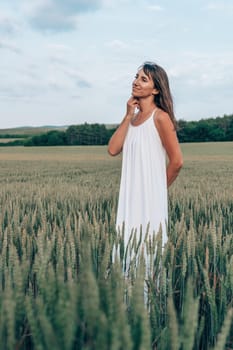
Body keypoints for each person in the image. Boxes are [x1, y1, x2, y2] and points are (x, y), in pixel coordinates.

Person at [108, 61, 183, 274]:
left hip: (150, 201)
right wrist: (127, 116)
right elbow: (113, 149)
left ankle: (148, 306)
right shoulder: (131, 120)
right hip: (129, 199)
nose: (136, 82)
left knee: (148, 254)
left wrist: (157, 191)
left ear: (156, 89)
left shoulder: (160, 117)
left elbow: (177, 161)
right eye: (136, 76)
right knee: (126, 249)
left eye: (143, 79)